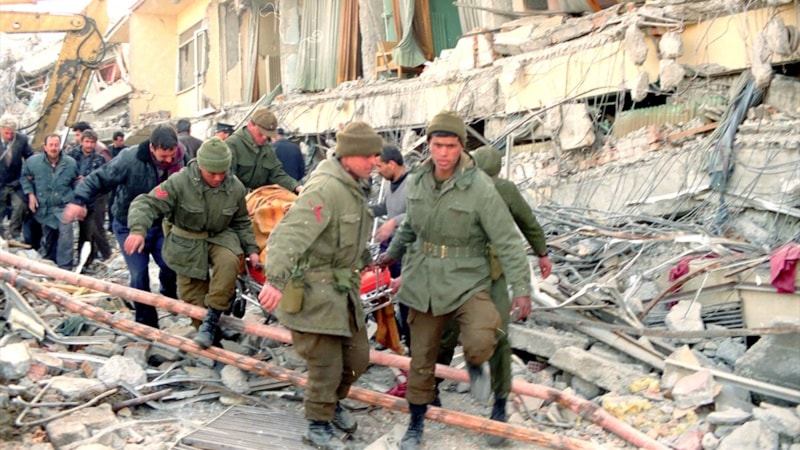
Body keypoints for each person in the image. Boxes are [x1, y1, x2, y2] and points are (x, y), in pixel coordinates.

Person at [376, 111, 532, 450]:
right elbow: (410, 226)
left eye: (450, 146)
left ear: (462, 147)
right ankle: (416, 424)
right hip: (425, 280)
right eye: (437, 145)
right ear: (429, 146)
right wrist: (392, 253)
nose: (443, 153)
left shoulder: (480, 188)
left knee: (482, 338)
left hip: (468, 280)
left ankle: (478, 366)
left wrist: (521, 289)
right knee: (422, 357)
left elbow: (507, 239)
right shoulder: (417, 181)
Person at [258, 121, 382, 449]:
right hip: (314, 291)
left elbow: (348, 231)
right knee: (326, 363)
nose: (375, 162)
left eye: (376, 155)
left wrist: (365, 255)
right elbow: (287, 236)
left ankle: (332, 403)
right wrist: (275, 281)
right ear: (349, 155)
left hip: (342, 288)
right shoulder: (325, 189)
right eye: (369, 155)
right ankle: (317, 425)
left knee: (357, 359)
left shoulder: (355, 185)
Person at [437, 145, 552, 446]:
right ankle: (493, 401)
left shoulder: (495, 189)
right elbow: (529, 224)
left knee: (458, 332)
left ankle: (480, 398)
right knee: (487, 335)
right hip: (469, 276)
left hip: (482, 277)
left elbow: (523, 225)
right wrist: (541, 252)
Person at [125, 138, 259, 348]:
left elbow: (241, 221)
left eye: (222, 173)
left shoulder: (235, 187)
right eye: (212, 173)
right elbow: (147, 202)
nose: (217, 178)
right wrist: (137, 230)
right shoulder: (179, 182)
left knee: (229, 262)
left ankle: (213, 317)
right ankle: (212, 338)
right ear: (200, 166)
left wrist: (252, 249)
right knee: (193, 297)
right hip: (186, 240)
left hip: (220, 235)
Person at [62, 125, 186, 328]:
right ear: (152, 148)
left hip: (161, 223)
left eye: (172, 155)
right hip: (127, 224)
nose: (169, 161)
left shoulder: (181, 157)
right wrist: (79, 200)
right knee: (139, 273)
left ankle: (169, 297)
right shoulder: (130, 159)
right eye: (163, 156)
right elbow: (99, 179)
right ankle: (146, 323)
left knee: (170, 264)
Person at [368, 144, 410, 345]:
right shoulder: (391, 184)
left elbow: (418, 213)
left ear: (392, 164)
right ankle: (391, 332)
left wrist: (393, 222)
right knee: (376, 285)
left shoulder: (412, 184)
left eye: (379, 166)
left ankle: (410, 341)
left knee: (405, 294)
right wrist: (365, 211)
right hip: (389, 244)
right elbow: (386, 206)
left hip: (405, 246)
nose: (377, 171)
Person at [20, 134, 78, 270]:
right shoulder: (33, 163)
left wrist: (77, 202)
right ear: (45, 147)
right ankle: (51, 263)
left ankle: (65, 267)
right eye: (51, 145)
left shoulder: (70, 163)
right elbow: (24, 177)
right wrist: (30, 195)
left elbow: (76, 182)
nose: (54, 148)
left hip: (64, 206)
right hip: (44, 208)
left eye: (56, 145)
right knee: (49, 237)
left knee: (66, 234)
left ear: (60, 146)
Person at [225, 108, 302, 194]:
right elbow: (228, 180)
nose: (265, 138)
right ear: (250, 125)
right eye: (261, 133)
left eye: (268, 135)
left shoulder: (267, 149)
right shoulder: (232, 144)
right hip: (239, 200)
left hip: (259, 199)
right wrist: (251, 194)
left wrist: (296, 187)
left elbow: (277, 174)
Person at [68, 129, 112, 266]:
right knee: (84, 230)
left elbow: (103, 179)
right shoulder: (72, 155)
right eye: (87, 142)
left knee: (96, 227)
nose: (89, 145)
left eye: (92, 142)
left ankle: (106, 255)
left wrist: (87, 180)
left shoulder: (99, 159)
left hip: (96, 198)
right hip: (77, 197)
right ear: (82, 141)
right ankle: (85, 259)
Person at [0, 114, 34, 241]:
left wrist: (31, 173)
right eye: (6, 133)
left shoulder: (22, 140)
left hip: (15, 182)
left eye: (12, 133)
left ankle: (15, 234)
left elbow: (30, 157)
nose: (9, 136)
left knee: (20, 206)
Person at [108, 131, 127, 228]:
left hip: (122, 179)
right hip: (112, 181)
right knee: (111, 202)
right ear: (114, 141)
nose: (122, 142)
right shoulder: (109, 151)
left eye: (122, 140)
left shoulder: (126, 150)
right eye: (119, 140)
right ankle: (111, 223)